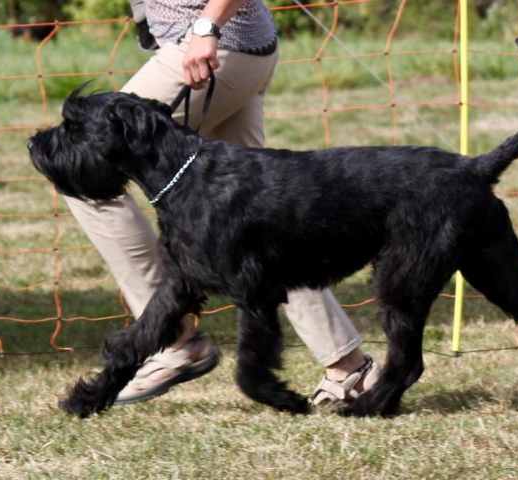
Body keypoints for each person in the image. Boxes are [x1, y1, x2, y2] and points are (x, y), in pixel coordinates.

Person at [62, 0, 381, 409]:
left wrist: (207, 26)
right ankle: (349, 367)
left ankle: (172, 340)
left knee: (85, 171)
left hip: (211, 45)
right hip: (232, 47)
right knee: (267, 229)